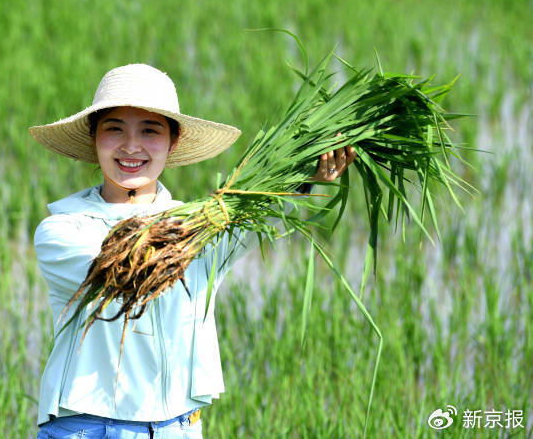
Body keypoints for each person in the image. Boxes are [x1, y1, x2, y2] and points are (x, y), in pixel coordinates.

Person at [28, 64, 356, 438]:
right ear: (94, 138)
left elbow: (265, 211)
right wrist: (206, 221)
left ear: (174, 141)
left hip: (178, 428)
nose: (131, 146)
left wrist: (307, 174)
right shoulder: (64, 229)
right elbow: (122, 271)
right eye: (114, 129)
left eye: (150, 130)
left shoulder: (207, 224)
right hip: (88, 428)